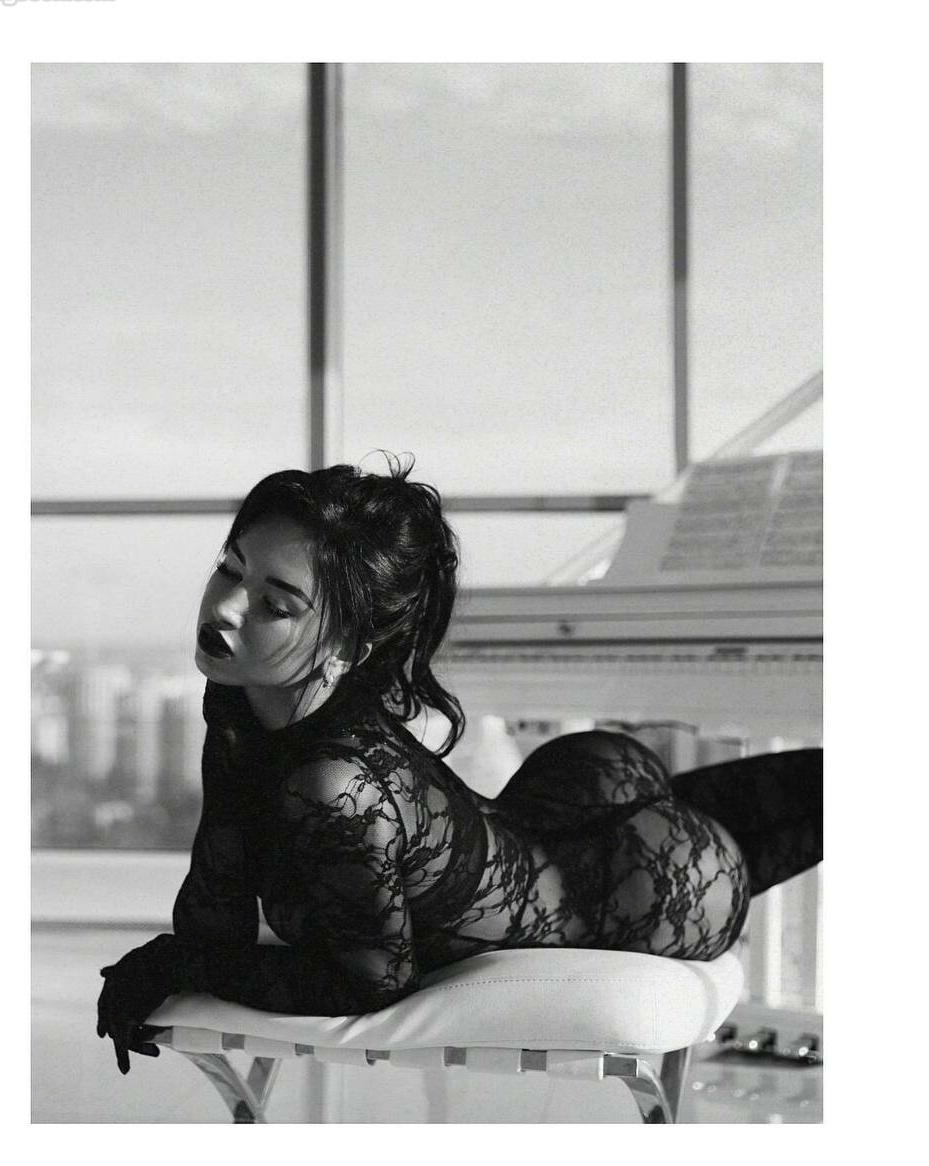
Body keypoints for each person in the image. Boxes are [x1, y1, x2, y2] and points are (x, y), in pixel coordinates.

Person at [97, 456, 822, 1074]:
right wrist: (181, 953)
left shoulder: (333, 784)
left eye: (274, 605)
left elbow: (370, 982)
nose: (226, 607)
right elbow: (214, 908)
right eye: (230, 568)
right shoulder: (247, 701)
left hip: (651, 886)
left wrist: (176, 964)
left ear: (347, 649)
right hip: (565, 796)